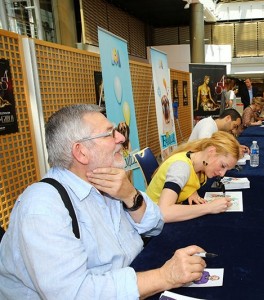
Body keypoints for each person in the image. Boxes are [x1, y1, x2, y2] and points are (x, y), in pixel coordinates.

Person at [0, 104, 207, 299]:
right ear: (81, 152)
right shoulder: (42, 208)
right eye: (110, 133)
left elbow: (156, 226)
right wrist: (164, 277)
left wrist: (130, 196)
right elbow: (75, 294)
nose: (120, 137)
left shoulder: (109, 182)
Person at [146, 131, 241, 223]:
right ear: (211, 151)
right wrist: (209, 207)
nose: (222, 174)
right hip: (152, 224)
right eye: (223, 166)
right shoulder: (181, 167)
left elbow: (188, 178)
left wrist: (191, 190)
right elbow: (163, 212)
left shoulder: (198, 163)